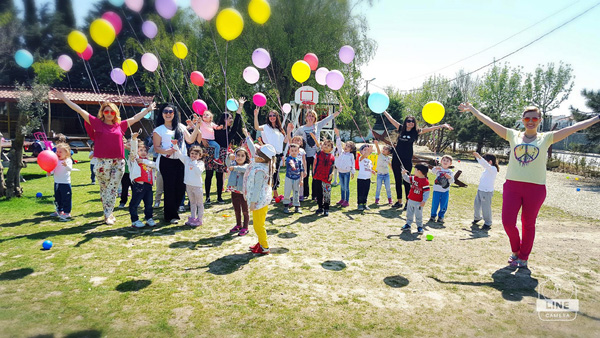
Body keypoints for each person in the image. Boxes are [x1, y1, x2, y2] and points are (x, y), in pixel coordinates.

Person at [459, 103, 600, 267]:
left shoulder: (546, 138)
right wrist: (473, 110)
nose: (530, 121)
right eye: (527, 118)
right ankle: (515, 251)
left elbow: (574, 127)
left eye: (534, 118)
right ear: (522, 120)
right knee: (508, 222)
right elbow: (490, 123)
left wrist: (597, 118)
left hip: (535, 188)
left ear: (540, 120)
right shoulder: (513, 135)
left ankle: (523, 257)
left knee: (528, 224)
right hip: (512, 186)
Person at [51, 89, 156, 225]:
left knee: (112, 189)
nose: (109, 114)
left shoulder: (120, 125)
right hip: (102, 162)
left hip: (118, 162)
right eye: (106, 111)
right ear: (102, 113)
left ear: (115, 113)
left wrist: (148, 110)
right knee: (105, 189)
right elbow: (80, 110)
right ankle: (108, 212)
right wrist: (64, 98)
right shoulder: (96, 123)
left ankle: (108, 214)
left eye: (112, 112)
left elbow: (135, 118)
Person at [382, 111, 453, 210]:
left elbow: (430, 129)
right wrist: (384, 111)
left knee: (406, 180)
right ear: (406, 122)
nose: (411, 123)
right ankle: (399, 201)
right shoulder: (401, 128)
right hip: (396, 158)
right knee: (397, 179)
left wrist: (442, 125)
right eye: (409, 121)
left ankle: (408, 202)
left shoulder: (416, 132)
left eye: (413, 122)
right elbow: (391, 119)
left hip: (407, 159)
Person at [152, 103, 200, 224]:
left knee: (180, 187)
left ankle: (175, 209)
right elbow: (157, 148)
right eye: (165, 111)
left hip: (181, 160)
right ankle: (170, 215)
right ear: (162, 114)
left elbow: (190, 140)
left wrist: (197, 126)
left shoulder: (180, 127)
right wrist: (166, 151)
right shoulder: (159, 130)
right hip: (166, 161)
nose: (168, 114)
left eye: (170, 112)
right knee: (169, 188)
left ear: (174, 114)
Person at [294, 107, 341, 200]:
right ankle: (305, 193)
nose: (310, 117)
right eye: (309, 116)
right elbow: (294, 137)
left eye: (312, 116)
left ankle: (315, 195)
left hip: (317, 155)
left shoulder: (317, 125)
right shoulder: (301, 128)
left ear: (315, 118)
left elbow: (329, 118)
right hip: (305, 155)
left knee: (316, 175)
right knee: (305, 175)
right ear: (306, 118)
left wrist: (339, 111)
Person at [243, 128, 277, 255]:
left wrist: (252, 202)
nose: (254, 154)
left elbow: (257, 189)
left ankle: (265, 247)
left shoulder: (260, 171)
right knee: (258, 223)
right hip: (258, 200)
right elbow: (252, 149)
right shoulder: (258, 162)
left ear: (262, 159)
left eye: (257, 153)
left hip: (259, 201)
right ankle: (260, 242)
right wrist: (247, 137)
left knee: (258, 225)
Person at [204, 98, 245, 205]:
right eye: (229, 118)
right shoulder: (216, 129)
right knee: (209, 175)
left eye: (231, 118)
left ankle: (219, 197)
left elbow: (237, 121)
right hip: (211, 152)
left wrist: (240, 107)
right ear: (224, 119)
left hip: (222, 155)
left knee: (219, 176)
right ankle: (207, 197)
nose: (231, 120)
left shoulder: (231, 132)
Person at [254, 107, 286, 200]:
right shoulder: (265, 127)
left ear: (277, 117)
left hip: (278, 154)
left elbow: (283, 142)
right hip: (269, 154)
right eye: (270, 115)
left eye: (274, 115)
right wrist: (256, 115)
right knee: (271, 174)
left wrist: (283, 155)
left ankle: (274, 193)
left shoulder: (279, 129)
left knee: (275, 174)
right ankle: (274, 194)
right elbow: (256, 127)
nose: (272, 117)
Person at [128, 133, 156, 228]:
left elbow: (155, 165)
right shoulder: (135, 159)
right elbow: (133, 151)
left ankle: (149, 218)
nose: (143, 152)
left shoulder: (148, 161)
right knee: (135, 203)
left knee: (149, 204)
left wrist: (145, 161)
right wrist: (134, 140)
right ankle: (135, 220)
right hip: (139, 185)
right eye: (141, 150)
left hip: (148, 185)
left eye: (145, 150)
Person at [175, 144, 205, 227]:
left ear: (200, 155)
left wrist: (194, 162)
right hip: (188, 185)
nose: (193, 155)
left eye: (196, 154)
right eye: (192, 153)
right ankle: (192, 218)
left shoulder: (200, 163)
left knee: (199, 203)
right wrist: (175, 145)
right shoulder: (187, 160)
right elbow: (179, 154)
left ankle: (199, 219)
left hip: (197, 186)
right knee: (192, 203)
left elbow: (198, 172)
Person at [309, 133, 335, 216]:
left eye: (328, 145)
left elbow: (333, 166)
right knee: (319, 193)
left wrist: (332, 173)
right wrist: (314, 138)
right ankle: (320, 207)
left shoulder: (332, 157)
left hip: (327, 178)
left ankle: (326, 208)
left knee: (327, 194)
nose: (326, 146)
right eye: (324, 144)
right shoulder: (319, 153)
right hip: (317, 177)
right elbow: (317, 145)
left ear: (331, 149)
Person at [226, 147, 250, 235]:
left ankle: (245, 227)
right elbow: (227, 163)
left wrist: (235, 168)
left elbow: (244, 170)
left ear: (246, 157)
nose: (240, 157)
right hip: (234, 191)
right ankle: (238, 224)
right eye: (238, 155)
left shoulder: (247, 166)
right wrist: (229, 156)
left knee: (245, 210)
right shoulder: (233, 163)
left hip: (243, 192)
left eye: (242, 156)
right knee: (236, 209)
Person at [472, 152, 499, 230]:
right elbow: (483, 164)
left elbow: (485, 164)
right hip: (480, 190)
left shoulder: (493, 169)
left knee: (486, 208)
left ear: (490, 161)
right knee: (476, 205)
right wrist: (478, 158)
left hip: (486, 192)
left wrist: (479, 157)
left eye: (485, 160)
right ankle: (477, 218)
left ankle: (488, 222)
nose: (483, 162)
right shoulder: (487, 170)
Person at [401, 164, 431, 234]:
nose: (414, 171)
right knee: (409, 213)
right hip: (410, 200)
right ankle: (408, 224)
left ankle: (419, 227)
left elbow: (426, 193)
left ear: (419, 171)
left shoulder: (425, 182)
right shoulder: (414, 178)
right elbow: (407, 179)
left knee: (418, 215)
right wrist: (403, 174)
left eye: (415, 169)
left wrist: (424, 201)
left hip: (419, 202)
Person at [49, 143, 73, 221]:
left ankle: (67, 213)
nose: (58, 153)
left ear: (66, 153)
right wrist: (50, 172)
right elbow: (53, 169)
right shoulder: (55, 160)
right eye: (57, 151)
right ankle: (59, 210)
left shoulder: (68, 160)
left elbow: (69, 169)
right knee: (58, 197)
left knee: (66, 198)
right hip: (57, 182)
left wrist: (66, 165)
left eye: (60, 152)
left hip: (65, 183)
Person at [429, 155, 455, 223]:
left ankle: (441, 216)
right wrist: (436, 168)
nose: (445, 162)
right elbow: (433, 171)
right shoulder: (439, 169)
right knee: (435, 203)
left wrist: (449, 177)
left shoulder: (450, 171)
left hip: (445, 191)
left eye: (447, 161)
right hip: (436, 190)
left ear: (450, 163)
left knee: (444, 204)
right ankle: (433, 215)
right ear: (441, 161)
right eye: (444, 160)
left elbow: (452, 181)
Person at [334, 128, 356, 207]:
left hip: (347, 173)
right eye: (346, 145)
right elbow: (339, 144)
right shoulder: (341, 152)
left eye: (348, 146)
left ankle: (347, 201)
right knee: (342, 187)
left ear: (351, 149)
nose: (346, 147)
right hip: (340, 172)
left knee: (346, 187)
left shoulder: (351, 155)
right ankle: (342, 199)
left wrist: (353, 172)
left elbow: (353, 164)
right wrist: (337, 135)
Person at [282, 143, 304, 214]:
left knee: (296, 192)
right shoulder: (289, 158)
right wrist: (292, 165)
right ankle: (286, 206)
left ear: (298, 152)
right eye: (292, 150)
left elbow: (301, 170)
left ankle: (297, 206)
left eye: (295, 150)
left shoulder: (299, 161)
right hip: (289, 178)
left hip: (297, 178)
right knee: (287, 192)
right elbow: (290, 162)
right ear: (289, 151)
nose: (293, 152)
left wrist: (301, 179)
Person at [356, 144, 376, 211]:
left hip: (368, 178)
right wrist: (368, 150)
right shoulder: (360, 158)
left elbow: (369, 168)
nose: (366, 152)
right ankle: (360, 204)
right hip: (361, 178)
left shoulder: (369, 161)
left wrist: (372, 171)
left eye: (367, 150)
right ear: (361, 151)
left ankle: (364, 203)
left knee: (366, 192)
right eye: (365, 150)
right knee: (360, 192)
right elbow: (364, 156)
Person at [374, 140, 393, 205]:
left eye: (386, 149)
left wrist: (394, 172)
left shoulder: (388, 158)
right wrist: (376, 144)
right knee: (378, 187)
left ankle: (390, 199)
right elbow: (378, 149)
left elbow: (390, 165)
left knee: (388, 187)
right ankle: (377, 199)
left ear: (388, 152)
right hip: (379, 175)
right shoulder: (380, 155)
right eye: (383, 148)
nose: (384, 150)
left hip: (386, 175)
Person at [118, 137, 132, 209]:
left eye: (131, 142)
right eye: (128, 142)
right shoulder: (122, 150)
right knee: (124, 188)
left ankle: (135, 202)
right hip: (125, 172)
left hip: (133, 173)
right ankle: (123, 202)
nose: (129, 143)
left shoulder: (134, 150)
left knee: (135, 188)